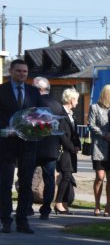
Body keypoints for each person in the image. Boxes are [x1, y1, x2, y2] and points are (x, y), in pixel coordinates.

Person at [0, 59, 43, 234]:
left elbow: (40, 115)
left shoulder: (34, 92)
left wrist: (38, 127)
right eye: (18, 71)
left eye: (25, 71)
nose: (22, 74)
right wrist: (4, 130)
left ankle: (22, 220)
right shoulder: (2, 91)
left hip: (28, 144)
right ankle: (5, 220)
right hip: (6, 143)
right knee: (5, 183)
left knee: (26, 183)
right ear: (11, 71)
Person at [32, 77, 64, 220]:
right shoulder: (57, 105)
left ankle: (27, 207)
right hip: (51, 148)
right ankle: (46, 209)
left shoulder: (33, 103)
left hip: (34, 146)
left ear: (39, 89)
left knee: (27, 178)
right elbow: (63, 127)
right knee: (49, 180)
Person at [88, 84, 110, 217]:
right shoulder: (94, 108)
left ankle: (108, 204)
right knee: (100, 177)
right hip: (99, 147)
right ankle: (96, 204)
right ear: (107, 95)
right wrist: (103, 134)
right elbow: (91, 124)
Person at [54, 88, 81, 214]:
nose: (77, 102)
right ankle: (58, 203)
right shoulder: (60, 113)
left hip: (70, 150)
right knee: (66, 175)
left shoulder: (71, 114)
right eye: (76, 99)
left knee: (68, 176)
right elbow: (62, 134)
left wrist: (77, 145)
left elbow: (74, 133)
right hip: (63, 150)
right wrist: (71, 147)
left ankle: (64, 203)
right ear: (71, 100)